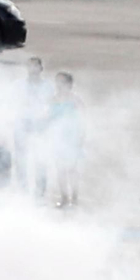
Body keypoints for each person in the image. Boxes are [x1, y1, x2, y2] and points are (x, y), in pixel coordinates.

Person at [48, 72, 84, 208]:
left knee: (72, 169)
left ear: (69, 85)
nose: (58, 85)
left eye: (62, 82)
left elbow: (83, 120)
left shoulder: (76, 100)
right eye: (57, 82)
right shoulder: (52, 100)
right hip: (57, 138)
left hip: (72, 138)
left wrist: (81, 137)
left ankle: (74, 199)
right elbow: (49, 118)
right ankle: (64, 198)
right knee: (60, 169)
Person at [17, 57, 51, 199]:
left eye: (35, 66)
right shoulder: (18, 85)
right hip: (23, 124)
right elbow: (10, 103)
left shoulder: (48, 87)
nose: (32, 69)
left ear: (41, 69)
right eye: (30, 66)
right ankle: (22, 189)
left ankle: (40, 191)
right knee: (21, 159)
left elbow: (52, 106)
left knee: (41, 159)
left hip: (41, 125)